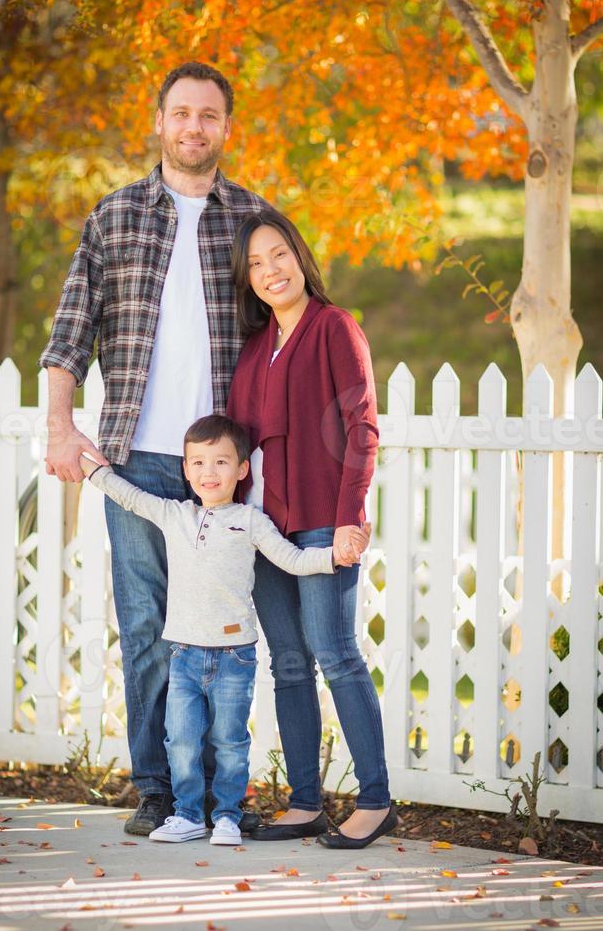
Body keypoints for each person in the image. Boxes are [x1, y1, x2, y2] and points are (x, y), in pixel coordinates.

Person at [39, 61, 272, 836]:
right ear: (160, 120)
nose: (194, 127)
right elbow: (69, 335)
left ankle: (216, 795)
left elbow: (287, 333)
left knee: (223, 627)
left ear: (226, 128)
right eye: (182, 112)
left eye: (209, 115)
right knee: (145, 627)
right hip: (134, 457)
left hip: (221, 469)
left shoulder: (254, 221)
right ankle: (159, 792)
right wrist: (60, 428)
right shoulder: (115, 216)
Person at [78, 415, 369, 846]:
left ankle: (228, 815)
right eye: (197, 463)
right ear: (186, 469)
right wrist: (93, 470)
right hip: (184, 655)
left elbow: (290, 559)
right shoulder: (174, 514)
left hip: (233, 655)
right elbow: (130, 496)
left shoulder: (251, 521)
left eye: (220, 462)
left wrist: (332, 558)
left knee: (230, 741)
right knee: (180, 740)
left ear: (242, 469)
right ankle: (188, 814)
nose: (208, 473)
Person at [227, 208, 397, 850]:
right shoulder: (252, 350)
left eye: (279, 255)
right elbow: (240, 442)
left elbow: (363, 427)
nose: (271, 271)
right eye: (256, 264)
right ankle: (305, 802)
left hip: (324, 521)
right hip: (267, 529)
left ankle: (376, 800)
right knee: (289, 664)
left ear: (299, 256)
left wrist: (352, 515)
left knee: (336, 654)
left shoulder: (335, 328)